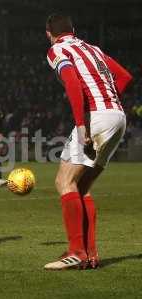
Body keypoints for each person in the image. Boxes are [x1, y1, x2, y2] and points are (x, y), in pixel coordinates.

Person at [44, 14, 132, 270]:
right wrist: (107, 99)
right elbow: (125, 77)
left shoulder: (57, 49)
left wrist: (82, 125)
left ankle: (76, 251)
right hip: (117, 116)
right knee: (82, 187)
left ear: (49, 33)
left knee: (64, 181)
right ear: (74, 30)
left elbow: (72, 82)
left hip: (97, 118)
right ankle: (90, 254)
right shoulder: (93, 48)